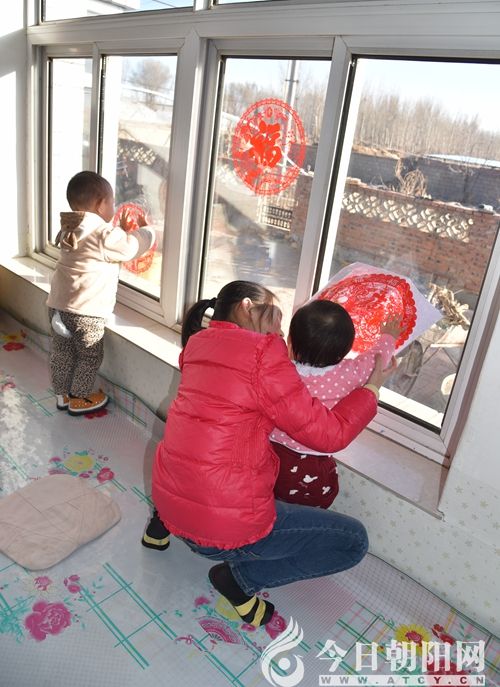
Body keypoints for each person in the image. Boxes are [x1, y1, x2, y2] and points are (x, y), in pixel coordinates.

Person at [148, 280, 396, 627]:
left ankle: (157, 529)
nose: (279, 334)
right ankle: (238, 580)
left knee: (198, 449)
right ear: (247, 307)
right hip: (219, 534)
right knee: (353, 542)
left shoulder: (198, 345)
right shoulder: (263, 355)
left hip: (170, 501)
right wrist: (371, 390)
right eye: (275, 320)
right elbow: (330, 434)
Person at [271, 299, 402, 509]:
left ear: (290, 343)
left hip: (270, 456)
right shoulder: (349, 373)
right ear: (344, 352)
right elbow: (377, 360)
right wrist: (388, 336)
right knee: (311, 509)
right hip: (313, 468)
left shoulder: (279, 369)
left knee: (271, 503)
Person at [47, 171, 155, 415]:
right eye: (112, 202)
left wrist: (119, 230)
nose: (114, 208)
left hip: (57, 307)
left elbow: (95, 250)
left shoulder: (69, 228)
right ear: (100, 204)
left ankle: (62, 395)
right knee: (89, 356)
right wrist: (148, 231)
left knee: (62, 353)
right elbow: (129, 247)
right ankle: (80, 397)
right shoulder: (103, 235)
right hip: (86, 313)